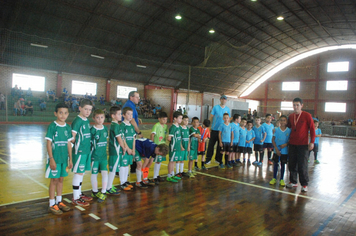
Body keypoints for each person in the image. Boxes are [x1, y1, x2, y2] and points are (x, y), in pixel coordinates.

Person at [45, 103, 73, 215]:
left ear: (68, 114)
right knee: (54, 180)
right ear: (55, 113)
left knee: (61, 179)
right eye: (60, 112)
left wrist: (70, 159)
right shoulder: (53, 126)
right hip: (55, 159)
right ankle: (51, 204)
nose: (63, 115)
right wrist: (51, 159)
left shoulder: (67, 127)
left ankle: (59, 201)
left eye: (65, 113)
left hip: (64, 159)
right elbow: (48, 143)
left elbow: (69, 144)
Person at [286, 97, 315, 192]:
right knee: (292, 164)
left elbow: (312, 129)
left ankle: (304, 184)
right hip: (292, 144)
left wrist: (312, 142)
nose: (295, 107)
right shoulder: (291, 116)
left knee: (302, 165)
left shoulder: (307, 115)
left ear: (301, 105)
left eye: (297, 105)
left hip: (303, 145)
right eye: (294, 105)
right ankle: (293, 182)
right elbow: (288, 128)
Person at [71, 99, 93, 206]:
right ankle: (75, 197)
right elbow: (72, 138)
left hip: (86, 151)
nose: (88, 112)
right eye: (86, 109)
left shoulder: (86, 120)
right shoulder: (77, 121)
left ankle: (79, 194)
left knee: (82, 173)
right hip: (79, 151)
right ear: (80, 108)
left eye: (90, 110)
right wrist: (69, 155)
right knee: (78, 173)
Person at [143, 112, 169, 185]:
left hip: (162, 146)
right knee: (155, 161)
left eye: (166, 119)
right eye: (163, 119)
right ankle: (153, 177)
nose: (165, 121)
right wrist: (153, 144)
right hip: (157, 147)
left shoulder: (165, 126)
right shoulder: (156, 126)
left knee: (159, 162)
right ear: (159, 119)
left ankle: (156, 175)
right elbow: (152, 135)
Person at [90, 109, 109, 202]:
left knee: (105, 173)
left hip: (103, 156)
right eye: (97, 117)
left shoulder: (105, 128)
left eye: (102, 117)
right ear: (94, 118)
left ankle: (104, 192)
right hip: (94, 157)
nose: (100, 119)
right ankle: (94, 191)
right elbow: (89, 145)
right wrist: (89, 159)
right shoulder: (92, 130)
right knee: (94, 174)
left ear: (104, 118)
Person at [206, 95, 230, 165]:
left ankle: (218, 159)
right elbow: (211, 116)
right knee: (211, 145)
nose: (223, 100)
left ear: (226, 100)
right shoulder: (215, 107)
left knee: (220, 146)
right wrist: (209, 126)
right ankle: (208, 158)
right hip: (214, 129)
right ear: (220, 100)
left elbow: (228, 119)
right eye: (222, 99)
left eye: (225, 99)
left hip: (222, 131)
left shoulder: (227, 109)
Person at [123, 91, 143, 173]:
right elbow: (132, 120)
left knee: (131, 148)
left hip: (130, 130)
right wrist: (139, 132)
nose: (139, 99)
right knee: (128, 148)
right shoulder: (129, 105)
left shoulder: (131, 105)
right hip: (129, 131)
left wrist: (137, 119)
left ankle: (132, 168)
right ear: (131, 97)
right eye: (137, 97)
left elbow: (133, 117)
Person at [106, 106, 124, 195]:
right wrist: (124, 148)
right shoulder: (115, 126)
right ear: (113, 115)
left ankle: (109, 186)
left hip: (116, 151)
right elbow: (119, 139)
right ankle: (108, 188)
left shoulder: (115, 125)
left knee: (114, 169)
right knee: (113, 170)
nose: (121, 115)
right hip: (115, 151)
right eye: (119, 114)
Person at [269, 115, 291, 187]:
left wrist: (285, 144)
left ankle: (282, 179)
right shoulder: (276, 129)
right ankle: (274, 178)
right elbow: (273, 139)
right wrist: (276, 149)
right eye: (281, 120)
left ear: (286, 121)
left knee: (283, 164)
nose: (282, 122)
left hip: (285, 151)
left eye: (284, 120)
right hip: (277, 151)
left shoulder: (289, 130)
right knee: (275, 164)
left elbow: (290, 140)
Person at [119, 107, 137, 190]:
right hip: (124, 150)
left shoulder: (132, 126)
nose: (130, 116)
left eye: (131, 114)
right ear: (123, 115)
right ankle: (122, 182)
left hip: (130, 150)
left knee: (127, 166)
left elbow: (134, 138)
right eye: (128, 114)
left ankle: (125, 181)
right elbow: (123, 138)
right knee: (123, 165)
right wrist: (127, 148)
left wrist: (133, 149)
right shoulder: (122, 125)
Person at [167, 111, 184, 183]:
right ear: (175, 118)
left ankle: (172, 174)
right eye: (180, 118)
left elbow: (179, 138)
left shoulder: (179, 127)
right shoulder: (173, 127)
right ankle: (169, 175)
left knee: (173, 161)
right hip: (173, 147)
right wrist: (173, 144)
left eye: (181, 118)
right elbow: (169, 138)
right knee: (171, 161)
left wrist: (180, 146)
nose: (181, 120)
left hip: (177, 147)